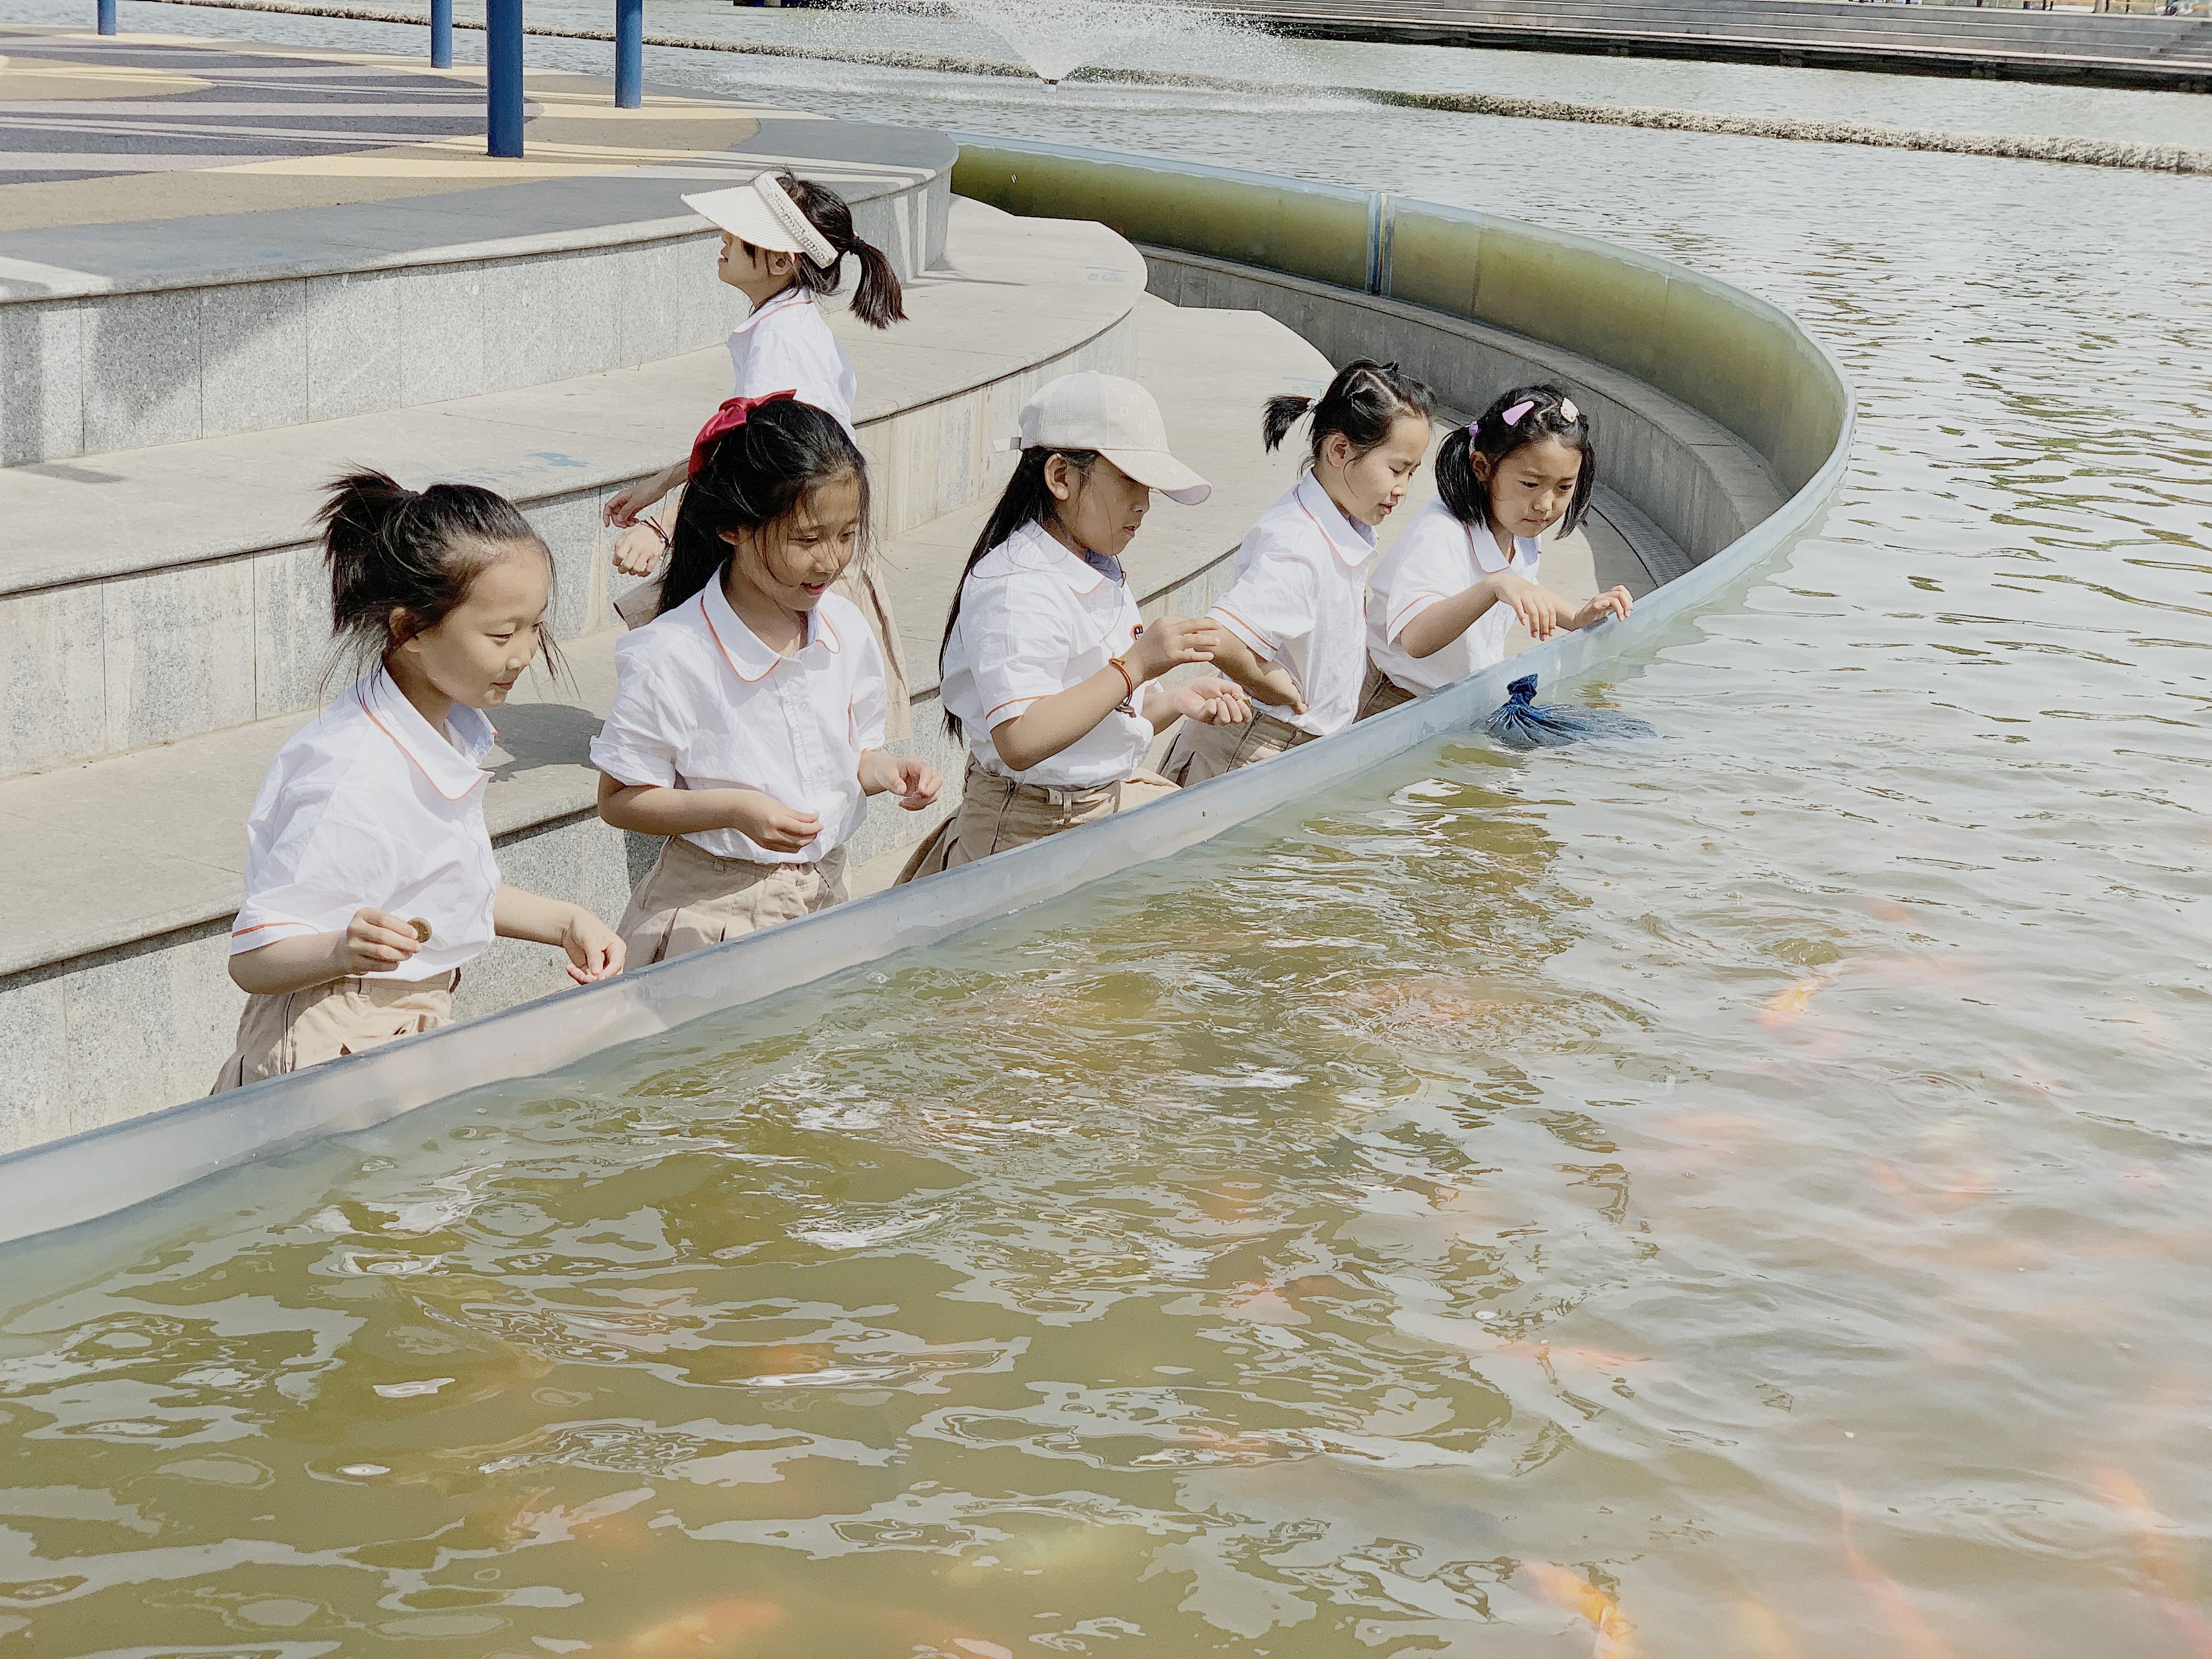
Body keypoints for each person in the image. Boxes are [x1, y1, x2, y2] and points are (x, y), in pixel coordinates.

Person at [216, 475, 624, 1092]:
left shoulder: (449, 730)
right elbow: (252, 959)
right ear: (410, 629)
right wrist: (339, 950)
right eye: (500, 634)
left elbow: (444, 888)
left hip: (402, 1026)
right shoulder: (351, 772)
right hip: (330, 1040)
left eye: (535, 627)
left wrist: (567, 923)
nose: (524, 654)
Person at [591, 394, 940, 964]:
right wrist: (737, 810)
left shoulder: (845, 628)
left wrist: (889, 772)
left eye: (847, 535)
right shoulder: (673, 654)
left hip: (821, 894)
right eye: (807, 539)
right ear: (733, 527)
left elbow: (853, 755)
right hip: (711, 913)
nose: (831, 561)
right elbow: (621, 800)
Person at [897, 373, 1251, 882]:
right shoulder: (1014, 586)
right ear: (1060, 476)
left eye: (1148, 487)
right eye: (1130, 481)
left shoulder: (1095, 566)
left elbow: (1096, 719)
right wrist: (1137, 665)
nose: (1145, 504)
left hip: (1094, 808)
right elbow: (1020, 740)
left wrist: (1173, 700)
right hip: (1028, 827)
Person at [603, 170, 915, 737]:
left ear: (779, 262)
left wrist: (660, 524)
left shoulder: (781, 342)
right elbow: (740, 435)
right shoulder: (788, 327)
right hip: (795, 530)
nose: (722, 240)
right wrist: (660, 483)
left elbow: (751, 457)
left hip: (795, 542)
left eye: (737, 234)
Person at [1159, 359, 1435, 783]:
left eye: (1412, 473)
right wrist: (1275, 688)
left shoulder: (1339, 525)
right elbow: (1220, 637)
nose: (1403, 488)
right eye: (1397, 469)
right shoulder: (1299, 546)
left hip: (1289, 747)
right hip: (1252, 748)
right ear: (1340, 451)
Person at [1361, 383, 1630, 718]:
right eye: (1531, 483)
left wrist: (1576, 618)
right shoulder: (1442, 534)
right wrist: (1495, 587)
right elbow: (1416, 638)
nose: (1546, 504)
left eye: (1564, 487)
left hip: (1451, 700)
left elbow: (1521, 584)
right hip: (1394, 699)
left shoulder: (1522, 524)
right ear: (1482, 468)